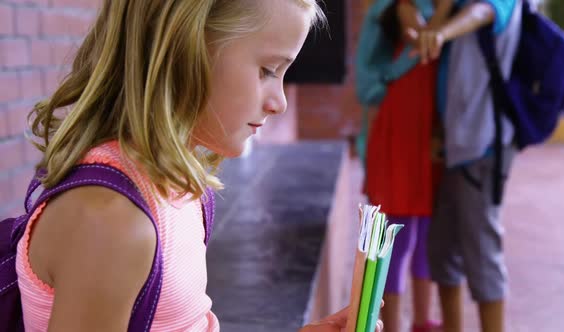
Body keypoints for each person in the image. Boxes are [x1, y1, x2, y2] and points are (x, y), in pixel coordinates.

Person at [16, 1, 382, 331]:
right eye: (268, 70)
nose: (280, 102)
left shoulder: (176, 184)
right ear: (185, 49)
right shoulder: (112, 222)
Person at [406, 0, 522, 331]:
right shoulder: (455, 6)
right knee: (442, 251)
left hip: (484, 144)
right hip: (456, 145)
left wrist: (442, 32)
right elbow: (429, 39)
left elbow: (482, 13)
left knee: (482, 253)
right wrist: (439, 24)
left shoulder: (490, 6)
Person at [363, 1, 452, 331]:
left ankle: (421, 320)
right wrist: (446, 10)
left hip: (427, 131)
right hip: (401, 132)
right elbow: (425, 39)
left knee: (427, 236)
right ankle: (394, 325)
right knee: (397, 238)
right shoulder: (403, 6)